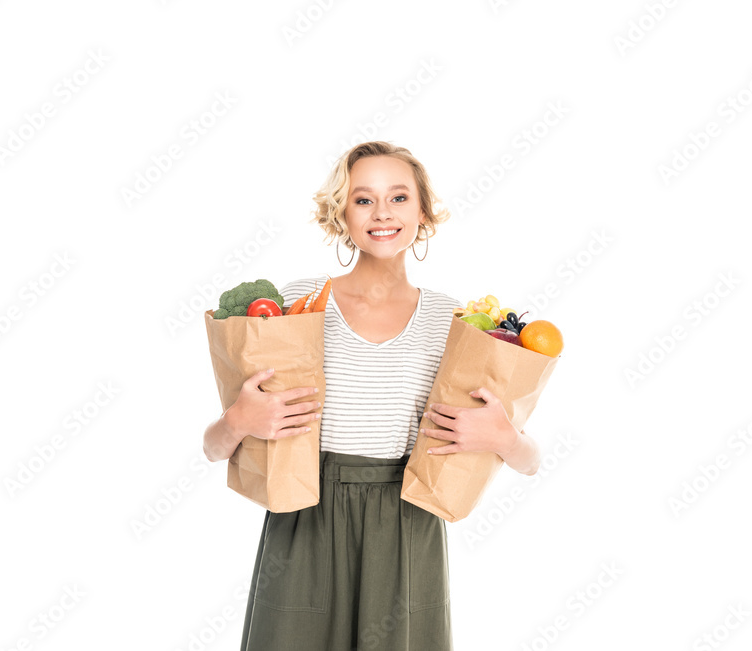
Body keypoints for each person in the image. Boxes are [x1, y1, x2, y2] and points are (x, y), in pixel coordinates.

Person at [202, 141, 541, 650]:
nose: (382, 213)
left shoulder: (454, 321)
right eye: (363, 200)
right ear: (342, 212)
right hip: (304, 516)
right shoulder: (299, 303)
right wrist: (239, 420)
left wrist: (503, 436)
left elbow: (531, 461)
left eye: (399, 197)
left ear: (423, 211)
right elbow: (213, 448)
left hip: (408, 519)